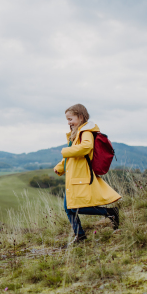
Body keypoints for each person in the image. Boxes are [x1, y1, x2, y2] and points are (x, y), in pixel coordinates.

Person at [53, 104, 121, 243]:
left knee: (74, 207)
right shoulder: (76, 134)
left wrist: (64, 151)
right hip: (73, 177)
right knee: (69, 208)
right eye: (67, 120)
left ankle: (110, 213)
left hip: (81, 176)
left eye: (70, 119)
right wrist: (60, 167)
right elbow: (71, 158)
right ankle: (80, 235)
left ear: (81, 117)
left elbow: (86, 147)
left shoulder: (86, 132)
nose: (69, 123)